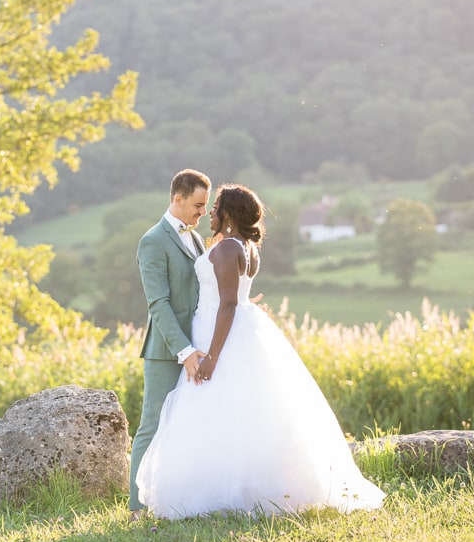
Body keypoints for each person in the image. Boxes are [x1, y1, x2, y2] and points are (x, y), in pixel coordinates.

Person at [136, 184, 386, 519]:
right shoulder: (247, 247)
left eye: (213, 208)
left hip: (218, 334)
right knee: (244, 412)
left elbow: (226, 303)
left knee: (215, 411)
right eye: (202, 206)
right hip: (234, 330)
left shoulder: (224, 249)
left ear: (227, 214)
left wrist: (210, 356)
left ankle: (218, 491)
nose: (208, 213)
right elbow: (233, 297)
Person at [129, 169, 212, 521]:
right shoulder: (152, 241)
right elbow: (158, 304)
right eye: (197, 205)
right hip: (167, 351)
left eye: (206, 206)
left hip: (199, 346)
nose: (202, 213)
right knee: (153, 424)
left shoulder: (195, 239)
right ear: (177, 199)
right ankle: (137, 507)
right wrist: (184, 350)